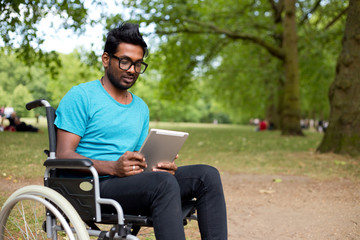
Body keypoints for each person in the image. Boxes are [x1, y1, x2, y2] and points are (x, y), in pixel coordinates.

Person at [54, 22, 227, 240]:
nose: (132, 70)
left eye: (138, 64)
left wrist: (159, 166)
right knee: (162, 185)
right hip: (90, 187)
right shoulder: (81, 96)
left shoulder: (140, 108)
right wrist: (114, 167)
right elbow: (64, 155)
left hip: (128, 182)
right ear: (106, 59)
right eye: (125, 62)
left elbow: (138, 161)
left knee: (206, 175)